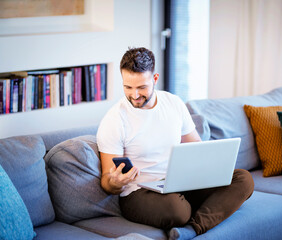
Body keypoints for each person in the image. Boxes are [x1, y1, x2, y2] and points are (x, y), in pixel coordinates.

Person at [96, 47, 254, 239]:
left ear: (155, 78)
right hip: (139, 193)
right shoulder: (114, 119)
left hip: (178, 184)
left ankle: (193, 228)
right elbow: (106, 181)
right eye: (128, 87)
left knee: (243, 179)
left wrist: (211, 170)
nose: (135, 95)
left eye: (141, 87)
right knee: (177, 210)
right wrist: (115, 182)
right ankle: (199, 215)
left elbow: (196, 147)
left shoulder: (173, 103)